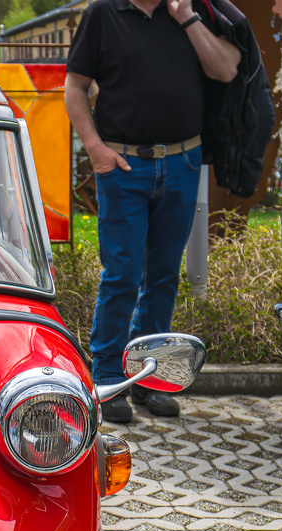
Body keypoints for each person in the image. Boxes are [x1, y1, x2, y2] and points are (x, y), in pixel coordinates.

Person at [65, 0, 240, 422]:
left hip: (181, 164)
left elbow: (226, 70)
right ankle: (108, 379)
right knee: (122, 273)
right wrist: (95, 149)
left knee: (162, 275)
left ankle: (149, 378)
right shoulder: (103, 14)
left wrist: (186, 17)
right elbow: (75, 88)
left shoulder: (192, 12)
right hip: (123, 166)